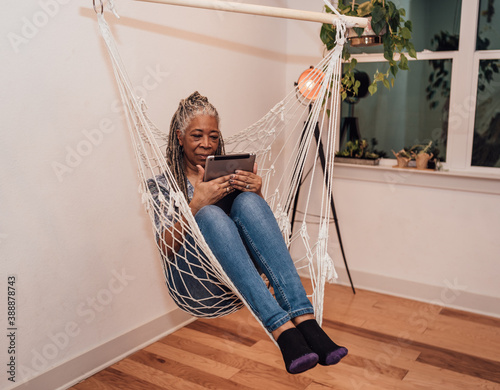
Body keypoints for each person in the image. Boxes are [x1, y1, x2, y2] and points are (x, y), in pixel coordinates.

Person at [148, 91, 347, 374]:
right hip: (199, 278)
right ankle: (281, 327)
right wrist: (196, 204)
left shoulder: (225, 172)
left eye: (213, 136)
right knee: (210, 214)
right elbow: (164, 246)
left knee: (250, 202)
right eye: (197, 135)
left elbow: (261, 235)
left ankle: (304, 320)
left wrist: (257, 191)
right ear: (180, 137)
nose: (207, 144)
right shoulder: (162, 184)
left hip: (242, 271)